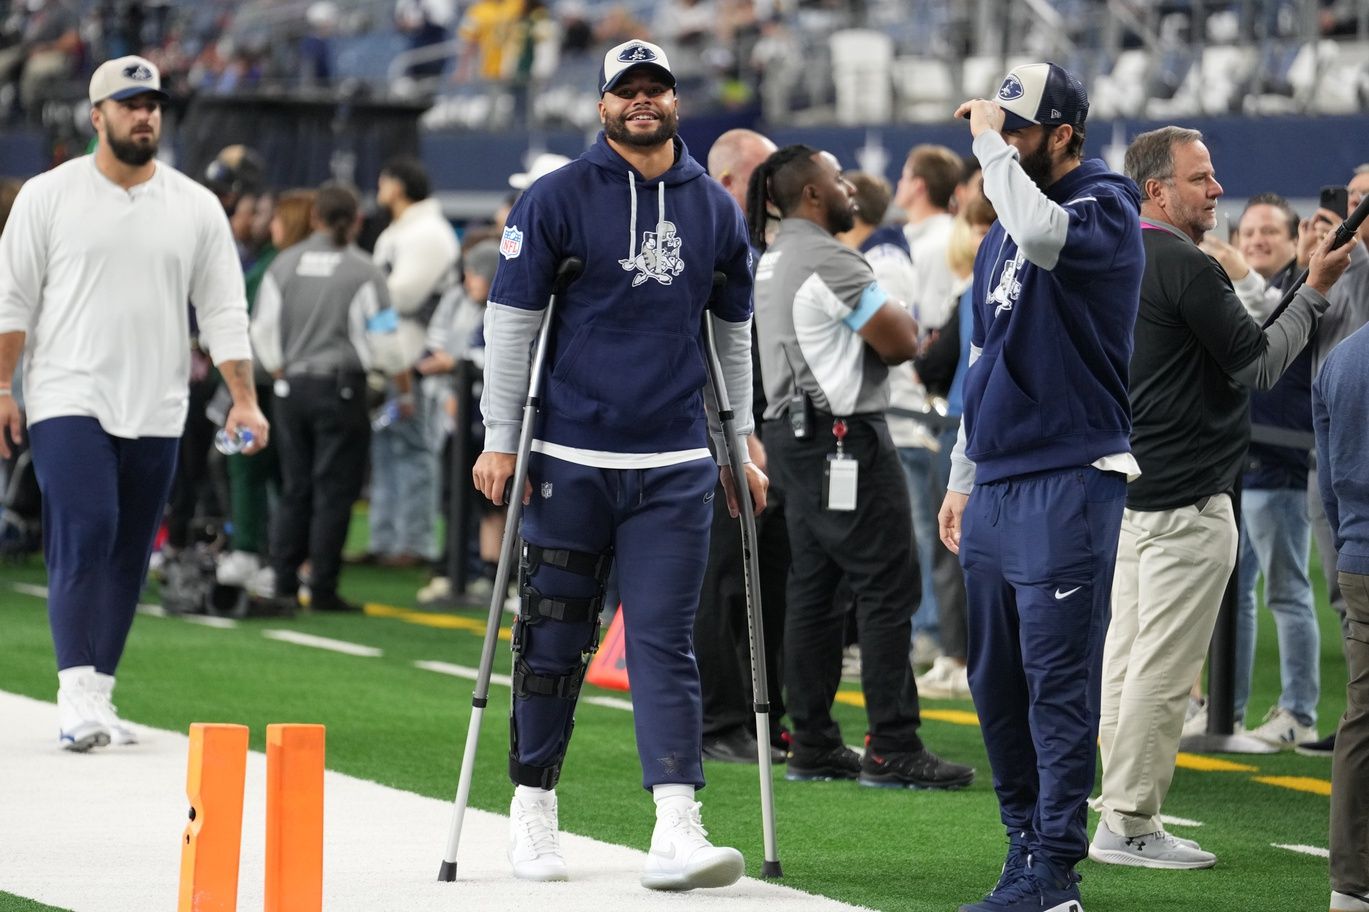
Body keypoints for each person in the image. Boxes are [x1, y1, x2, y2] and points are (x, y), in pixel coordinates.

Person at [471, 38, 764, 890]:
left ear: (676, 102)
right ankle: (532, 807)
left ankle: (675, 824)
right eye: (626, 90)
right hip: (568, 453)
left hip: (672, 461)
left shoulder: (714, 208)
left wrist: (738, 442)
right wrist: (500, 438)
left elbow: (732, 339)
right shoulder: (554, 198)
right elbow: (511, 326)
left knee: (666, 642)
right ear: (601, 105)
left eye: (657, 89)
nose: (643, 101)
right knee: (552, 639)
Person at [1090, 126, 1350, 872]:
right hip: (1185, 501)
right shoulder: (1186, 264)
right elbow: (1260, 365)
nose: (1215, 189)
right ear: (1156, 191)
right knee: (1162, 674)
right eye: (1200, 179)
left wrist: (1296, 288)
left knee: (1126, 659)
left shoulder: (1118, 253)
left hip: (1133, 492)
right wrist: (1317, 289)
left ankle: (1115, 804)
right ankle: (1129, 822)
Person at [0, 55, 268, 750]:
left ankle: (100, 693)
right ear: (98, 116)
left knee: (126, 550)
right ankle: (74, 694)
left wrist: (244, 400)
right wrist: (3, 387)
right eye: (129, 103)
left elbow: (224, 311)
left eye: (152, 103)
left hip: (158, 402)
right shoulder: (47, 196)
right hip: (66, 393)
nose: (144, 114)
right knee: (87, 526)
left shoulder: (195, 205)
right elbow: (12, 302)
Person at [938, 62, 1143, 912]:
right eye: (997, 131)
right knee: (996, 684)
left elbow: (1048, 237)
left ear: (1062, 134)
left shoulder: (1106, 208)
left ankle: (1055, 869)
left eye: (1017, 130)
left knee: (1056, 685)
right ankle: (1020, 843)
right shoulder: (1000, 223)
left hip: (1068, 475)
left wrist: (989, 148)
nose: (1001, 145)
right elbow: (981, 357)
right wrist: (960, 475)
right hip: (997, 484)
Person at [747, 144, 974, 791]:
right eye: (837, 179)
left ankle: (814, 741)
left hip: (793, 438)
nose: (850, 189)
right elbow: (901, 340)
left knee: (814, 591)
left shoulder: (777, 255)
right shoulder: (828, 257)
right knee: (886, 586)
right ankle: (893, 744)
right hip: (842, 437)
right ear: (812, 194)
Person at [250, 183, 405, 615]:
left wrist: (280, 367)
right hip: (341, 389)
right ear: (355, 220)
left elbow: (260, 330)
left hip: (290, 388)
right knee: (334, 490)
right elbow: (386, 340)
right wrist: (388, 375)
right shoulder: (364, 270)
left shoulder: (283, 265)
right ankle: (321, 586)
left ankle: (283, 581)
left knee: (295, 487)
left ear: (315, 218)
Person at [696, 126, 788, 766]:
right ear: (730, 181)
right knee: (717, 577)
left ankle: (752, 713)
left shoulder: (751, 244)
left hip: (749, 430)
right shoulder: (703, 233)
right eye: (762, 176)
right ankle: (716, 719)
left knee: (755, 578)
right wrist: (734, 439)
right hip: (710, 434)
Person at [1230, 194, 1322, 747]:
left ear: (1294, 241)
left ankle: (1299, 711)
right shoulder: (1234, 292)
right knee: (1232, 594)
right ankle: (1227, 710)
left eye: (1269, 232)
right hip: (1237, 466)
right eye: (1249, 233)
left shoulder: (1308, 290)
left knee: (1287, 592)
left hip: (1281, 463)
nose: (1257, 240)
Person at [367, 155, 461, 568]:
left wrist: (366, 301)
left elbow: (400, 296)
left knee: (414, 449)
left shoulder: (427, 232)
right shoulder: (401, 230)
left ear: (399, 184)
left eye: (384, 178)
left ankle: (416, 542)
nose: (379, 186)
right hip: (389, 353)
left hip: (415, 358)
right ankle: (385, 539)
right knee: (387, 448)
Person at [1312, 318, 1369, 912]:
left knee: (1361, 719)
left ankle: (1350, 885)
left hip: (1358, 552)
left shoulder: (1341, 357)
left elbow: (1327, 484)